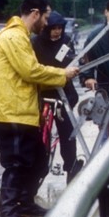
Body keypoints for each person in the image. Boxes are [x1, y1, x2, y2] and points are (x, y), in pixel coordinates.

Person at [0, 0, 80, 217]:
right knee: (17, 164)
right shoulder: (14, 37)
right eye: (46, 18)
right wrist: (63, 74)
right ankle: (9, 215)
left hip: (19, 111)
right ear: (36, 13)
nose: (47, 24)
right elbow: (30, 71)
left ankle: (25, 205)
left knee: (37, 160)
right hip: (10, 112)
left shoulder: (20, 37)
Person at [31, 10, 84, 184]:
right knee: (39, 133)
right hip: (43, 91)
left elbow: (69, 61)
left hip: (63, 92)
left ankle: (71, 167)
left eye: (60, 28)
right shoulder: (35, 42)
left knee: (68, 132)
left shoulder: (66, 41)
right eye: (53, 28)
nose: (57, 32)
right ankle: (38, 169)